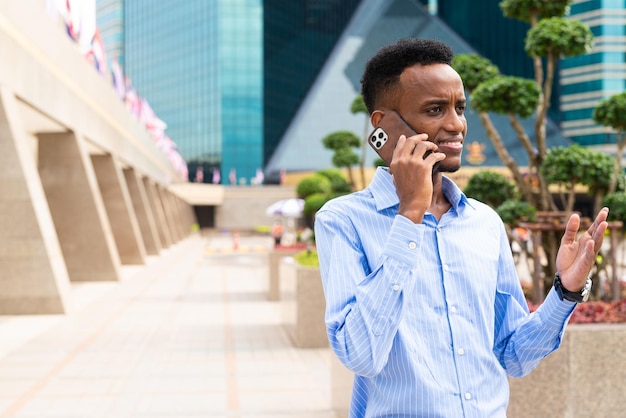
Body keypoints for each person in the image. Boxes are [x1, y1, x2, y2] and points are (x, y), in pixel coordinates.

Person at [313, 38, 609, 417]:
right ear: (384, 125)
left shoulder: (484, 222)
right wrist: (409, 217)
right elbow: (361, 354)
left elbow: (513, 356)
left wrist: (565, 292)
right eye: (435, 110)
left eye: (459, 108)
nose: (456, 125)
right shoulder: (343, 221)